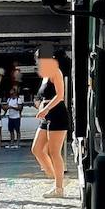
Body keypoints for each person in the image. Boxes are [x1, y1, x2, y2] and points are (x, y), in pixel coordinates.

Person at [31, 44, 70, 198]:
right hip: (47, 115)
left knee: (54, 152)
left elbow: (60, 95)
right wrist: (40, 104)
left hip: (57, 114)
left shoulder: (56, 72)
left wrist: (46, 108)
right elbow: (46, 96)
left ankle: (58, 188)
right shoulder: (46, 75)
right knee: (37, 149)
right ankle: (57, 179)